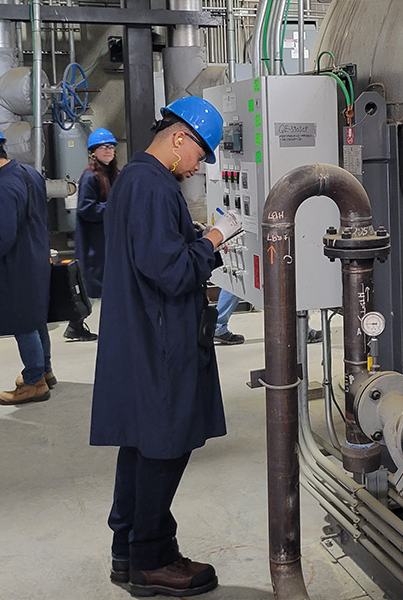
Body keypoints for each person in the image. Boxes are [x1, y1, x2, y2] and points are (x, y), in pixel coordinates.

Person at [90, 96, 242, 597]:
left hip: (139, 333)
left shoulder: (137, 180)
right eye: (200, 154)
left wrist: (190, 236)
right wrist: (214, 239)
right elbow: (172, 272)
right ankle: (152, 561)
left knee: (140, 443)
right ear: (178, 138)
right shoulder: (152, 186)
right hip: (159, 339)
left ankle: (127, 550)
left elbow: (151, 253)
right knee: (163, 446)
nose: (200, 166)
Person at [0, 125, 55, 405]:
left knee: (23, 322)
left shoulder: (0, 189)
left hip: (16, 265)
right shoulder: (30, 173)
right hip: (37, 258)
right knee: (36, 317)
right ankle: (44, 370)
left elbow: (3, 238)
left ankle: (34, 383)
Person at [64, 127, 120, 342]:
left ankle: (77, 325)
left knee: (104, 286)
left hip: (106, 239)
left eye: (111, 147)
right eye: (103, 147)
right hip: (94, 243)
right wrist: (113, 207)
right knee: (93, 286)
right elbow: (87, 209)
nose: (108, 151)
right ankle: (77, 325)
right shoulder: (91, 176)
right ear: (93, 152)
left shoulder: (113, 174)